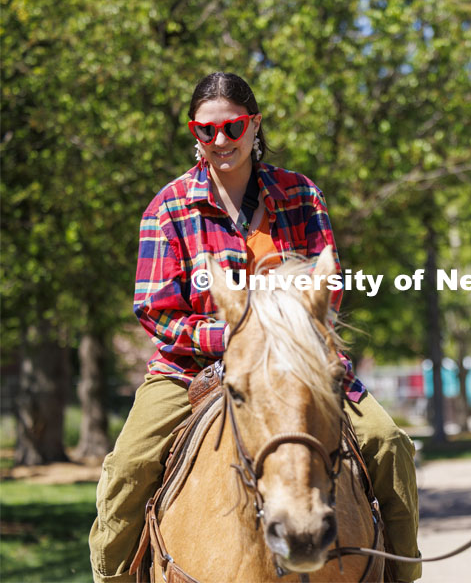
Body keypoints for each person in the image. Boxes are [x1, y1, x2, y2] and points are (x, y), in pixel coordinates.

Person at [89, 72, 421, 583]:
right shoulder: (169, 207)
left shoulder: (302, 195)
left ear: (254, 125)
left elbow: (327, 291)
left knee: (386, 442)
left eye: (233, 127)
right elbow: (155, 310)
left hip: (297, 363)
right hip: (189, 370)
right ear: (194, 133)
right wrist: (238, 339)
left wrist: (281, 338)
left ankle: (404, 574)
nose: (220, 141)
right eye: (207, 131)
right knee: (128, 467)